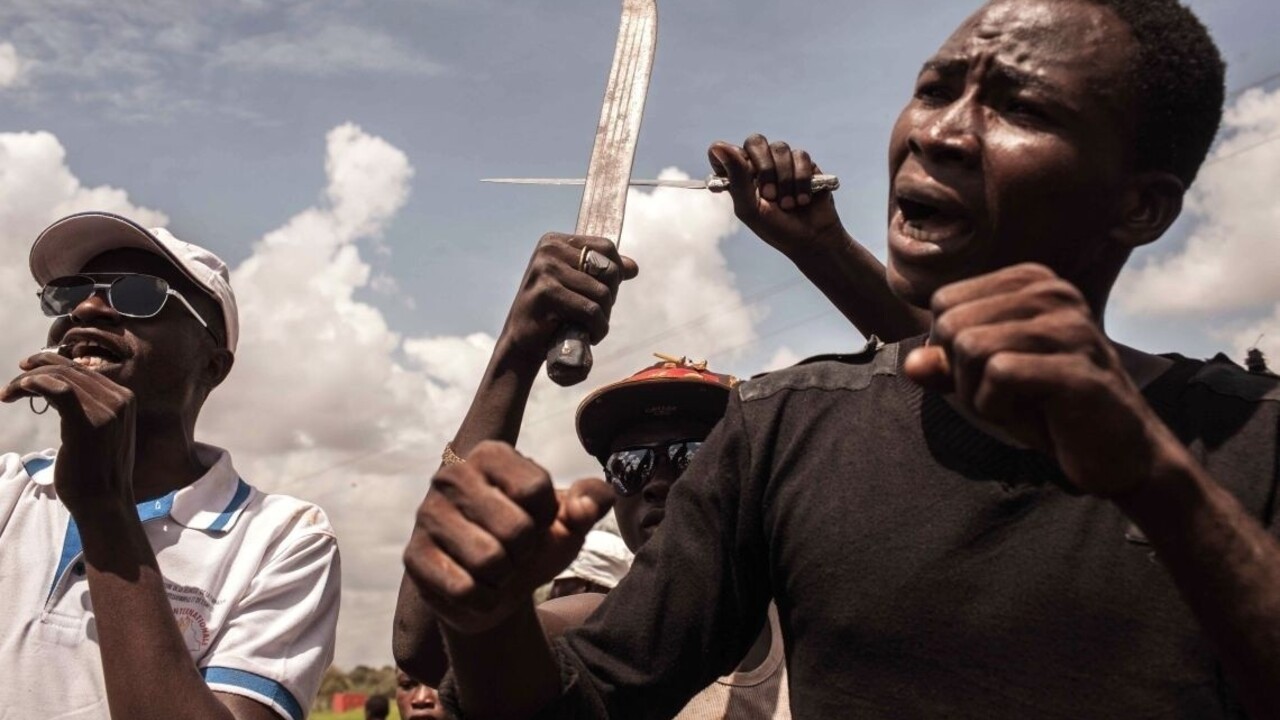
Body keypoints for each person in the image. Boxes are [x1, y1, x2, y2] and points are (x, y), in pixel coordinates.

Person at [404, 0, 1280, 718]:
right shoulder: (785, 430)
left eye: (1023, 108)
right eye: (934, 89)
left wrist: (1159, 487)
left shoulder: (1252, 440)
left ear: (1142, 207)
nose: (940, 133)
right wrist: (485, 625)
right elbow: (586, 704)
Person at [0, 212, 341, 720]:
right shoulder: (8, 489)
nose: (90, 308)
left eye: (139, 295)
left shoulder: (285, 541)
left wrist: (105, 512)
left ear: (211, 366)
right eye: (70, 294)